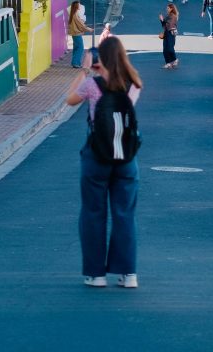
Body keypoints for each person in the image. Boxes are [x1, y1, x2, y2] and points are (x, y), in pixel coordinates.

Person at [66, 35, 143, 289]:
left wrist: (87, 70)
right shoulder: (134, 85)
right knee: (124, 215)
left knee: (93, 213)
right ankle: (128, 273)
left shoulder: (92, 85)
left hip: (96, 155)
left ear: (103, 59)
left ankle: (96, 274)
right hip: (126, 157)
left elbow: (70, 100)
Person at [69, 0, 93, 68]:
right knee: (80, 48)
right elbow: (81, 25)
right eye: (79, 5)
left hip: (74, 34)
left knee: (76, 48)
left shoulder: (72, 14)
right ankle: (76, 63)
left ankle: (76, 63)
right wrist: (89, 29)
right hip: (77, 34)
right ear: (76, 6)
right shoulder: (75, 15)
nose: (80, 6)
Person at [159, 2, 179, 69]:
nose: (166, 9)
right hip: (167, 33)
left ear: (171, 9)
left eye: (168, 8)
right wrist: (162, 20)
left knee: (170, 48)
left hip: (171, 33)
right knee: (165, 49)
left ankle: (174, 60)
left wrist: (162, 20)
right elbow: (164, 25)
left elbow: (169, 24)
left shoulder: (173, 16)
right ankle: (168, 63)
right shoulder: (169, 15)